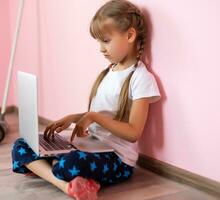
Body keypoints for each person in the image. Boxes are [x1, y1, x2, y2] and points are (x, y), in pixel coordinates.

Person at [11, 0, 161, 199]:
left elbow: (133, 132)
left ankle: (51, 172)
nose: (101, 48)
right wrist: (74, 117)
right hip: (91, 145)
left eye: (106, 41)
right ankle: (66, 185)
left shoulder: (141, 78)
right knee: (22, 144)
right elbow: (101, 115)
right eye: (99, 42)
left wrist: (93, 116)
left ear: (130, 35)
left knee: (70, 163)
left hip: (117, 159)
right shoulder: (109, 72)